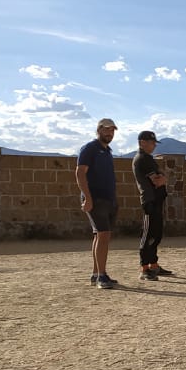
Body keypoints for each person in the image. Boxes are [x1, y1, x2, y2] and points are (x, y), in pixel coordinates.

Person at [75, 117, 119, 289]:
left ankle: (96, 273)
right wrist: (87, 197)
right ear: (99, 130)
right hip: (95, 198)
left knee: (99, 235)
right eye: (106, 129)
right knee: (104, 234)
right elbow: (80, 173)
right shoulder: (90, 148)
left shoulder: (107, 151)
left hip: (108, 198)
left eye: (112, 130)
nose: (109, 133)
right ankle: (102, 276)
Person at [132, 130, 172, 282]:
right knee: (148, 234)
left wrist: (163, 177)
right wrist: (164, 178)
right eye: (151, 142)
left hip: (156, 200)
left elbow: (162, 177)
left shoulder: (148, 158)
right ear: (142, 142)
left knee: (156, 234)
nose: (154, 145)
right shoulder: (143, 159)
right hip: (150, 200)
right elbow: (157, 180)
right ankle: (144, 268)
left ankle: (154, 265)